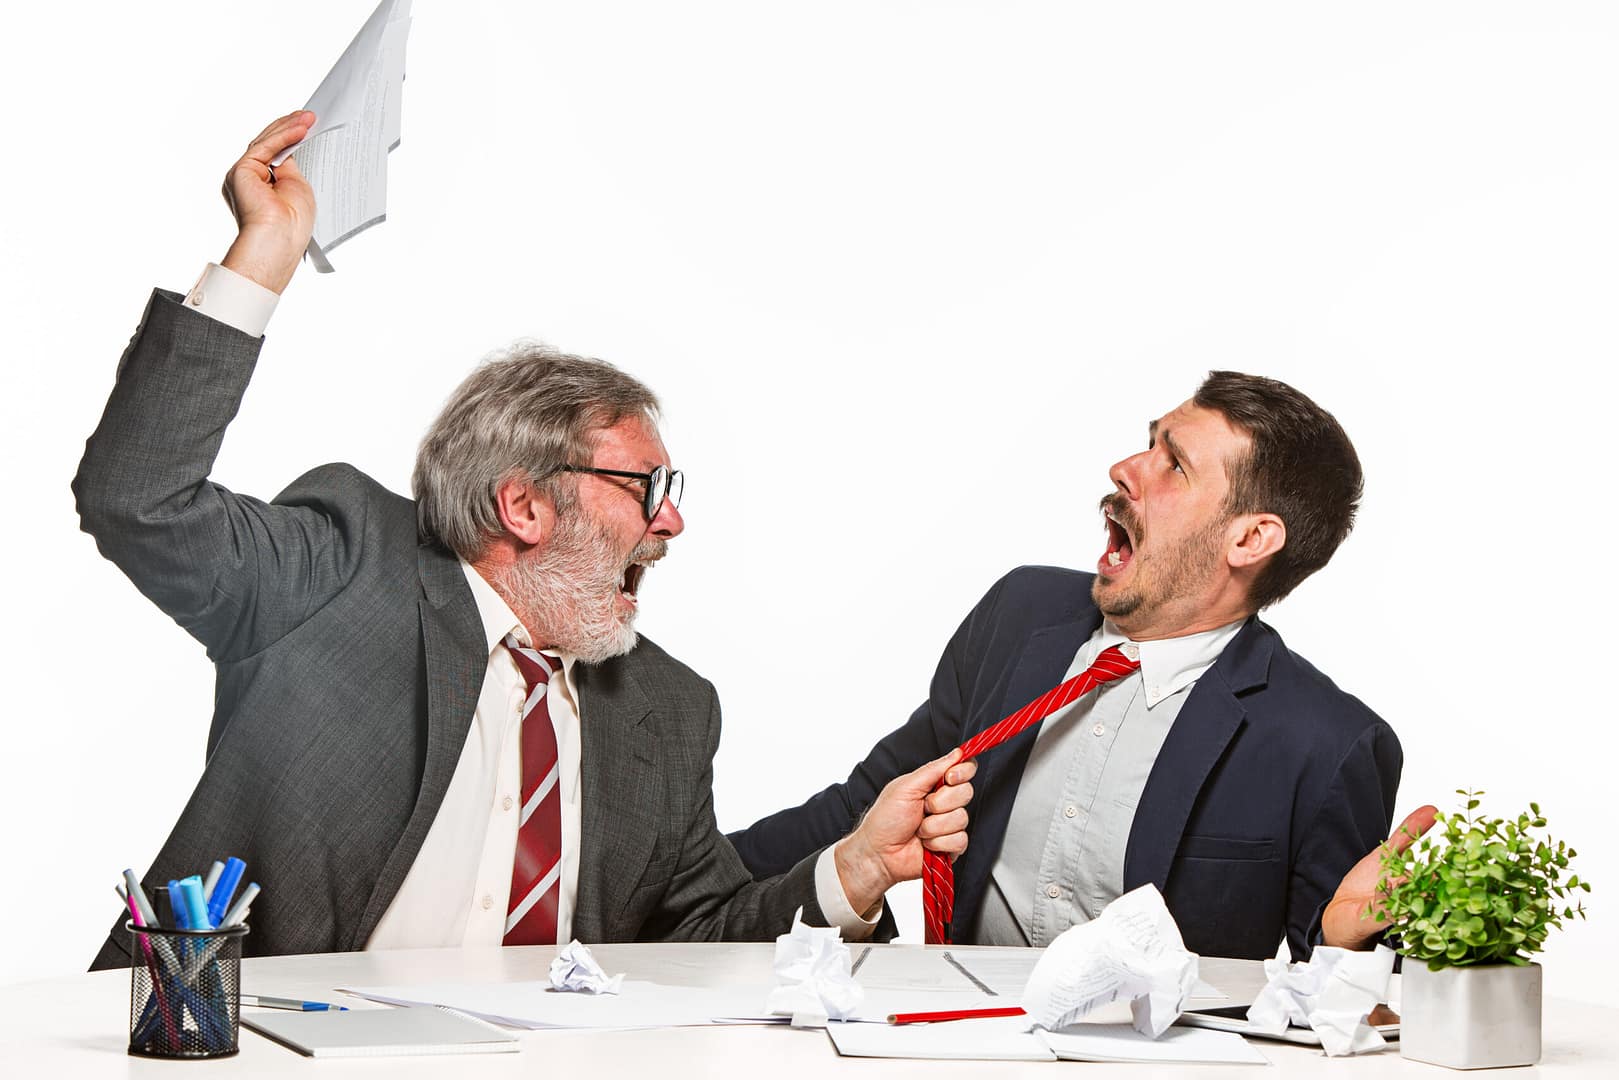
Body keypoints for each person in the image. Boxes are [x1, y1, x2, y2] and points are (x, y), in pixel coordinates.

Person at [77, 112, 971, 969]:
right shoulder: (339, 567)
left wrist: (851, 871)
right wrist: (263, 251)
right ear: (523, 506)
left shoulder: (668, 706)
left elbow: (692, 945)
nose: (670, 523)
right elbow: (139, 500)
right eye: (647, 488)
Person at [729, 371, 1435, 960]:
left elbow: (1344, 1012)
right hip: (956, 1043)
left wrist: (1345, 951)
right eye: (1146, 444)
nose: (1125, 469)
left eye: (1173, 464)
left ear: (1249, 538)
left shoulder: (1326, 743)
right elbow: (875, 801)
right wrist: (680, 876)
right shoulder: (1019, 614)